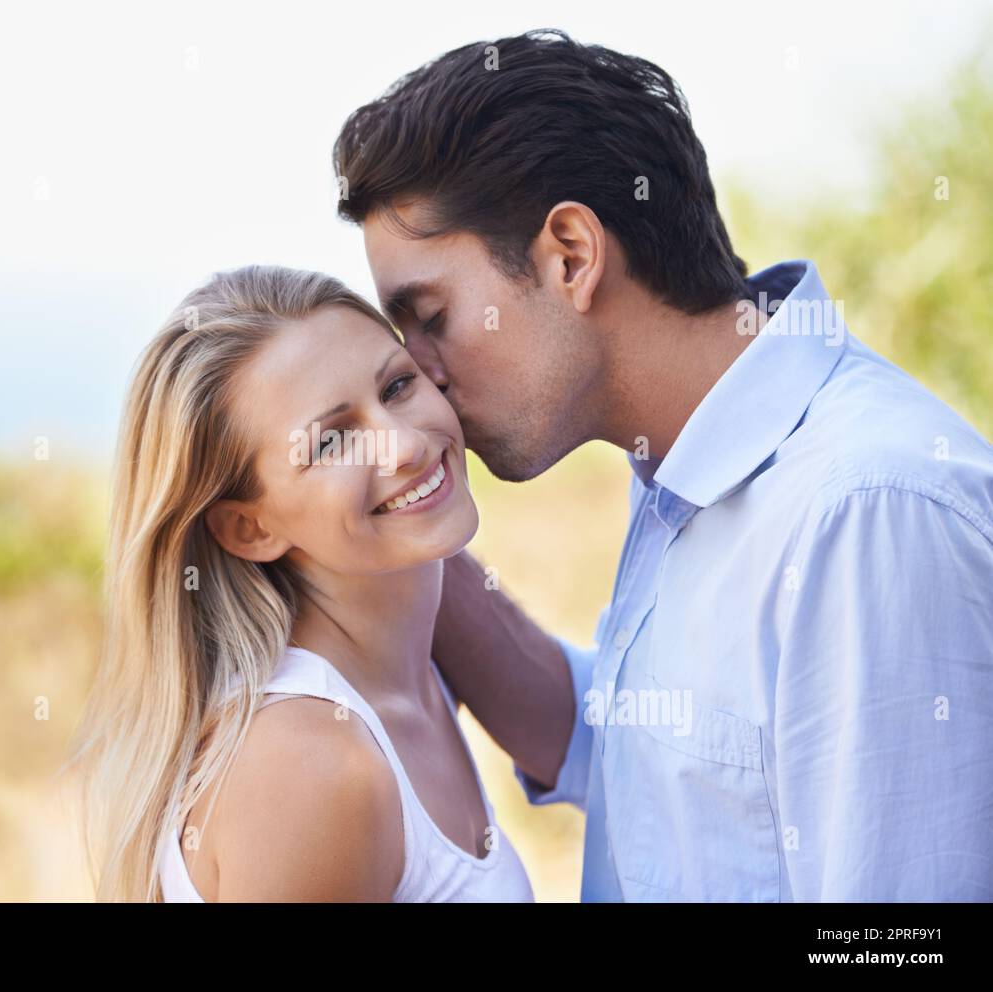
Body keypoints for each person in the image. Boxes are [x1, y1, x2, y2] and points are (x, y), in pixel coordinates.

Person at [332, 28, 993, 900]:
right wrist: (392, 518)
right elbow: (665, 763)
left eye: (431, 317)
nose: (420, 372)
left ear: (570, 254)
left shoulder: (864, 510)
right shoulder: (687, 463)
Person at [66, 264, 535, 902]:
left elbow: (588, 733)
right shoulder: (310, 764)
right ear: (249, 528)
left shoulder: (409, 655)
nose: (401, 446)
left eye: (397, 385)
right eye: (332, 441)